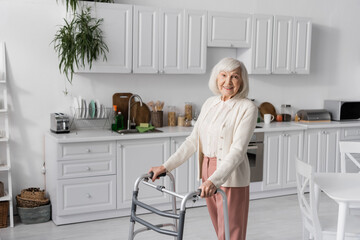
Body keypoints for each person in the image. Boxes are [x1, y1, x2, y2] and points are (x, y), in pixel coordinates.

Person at [149, 57, 257, 240]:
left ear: (242, 80)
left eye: (235, 76)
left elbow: (238, 151)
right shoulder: (210, 103)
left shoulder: (247, 107)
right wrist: (165, 166)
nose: (228, 82)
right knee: (219, 229)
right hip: (207, 171)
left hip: (229, 175)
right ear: (216, 78)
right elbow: (193, 141)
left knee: (232, 233)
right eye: (223, 75)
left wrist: (214, 181)